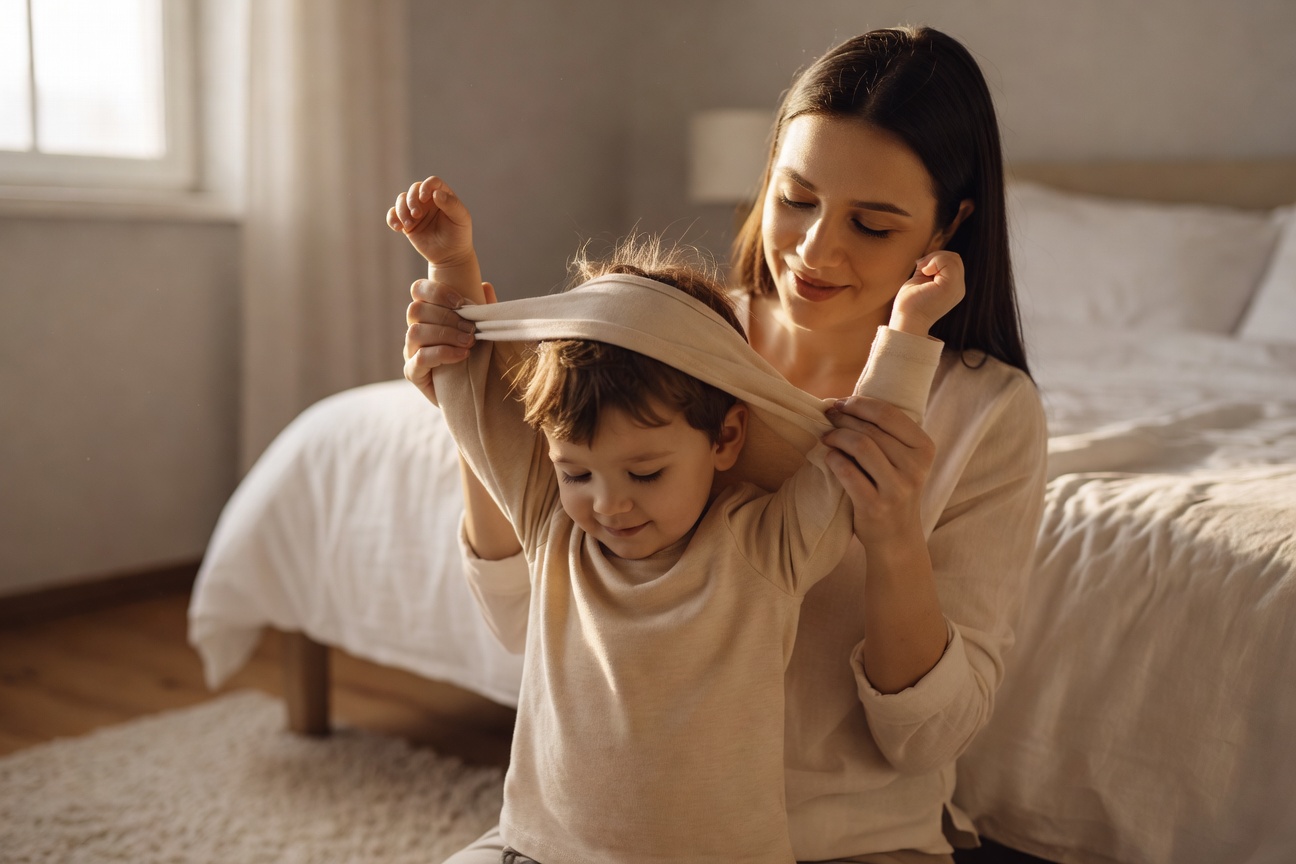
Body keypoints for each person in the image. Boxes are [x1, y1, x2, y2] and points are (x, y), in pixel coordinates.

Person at [398, 25, 1047, 864]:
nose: (814, 250)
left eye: (873, 224)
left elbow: (923, 742)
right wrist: (468, 413)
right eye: (796, 197)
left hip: (847, 844)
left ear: (944, 227)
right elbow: (529, 626)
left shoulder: (987, 413)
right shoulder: (672, 345)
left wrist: (891, 537)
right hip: (587, 839)